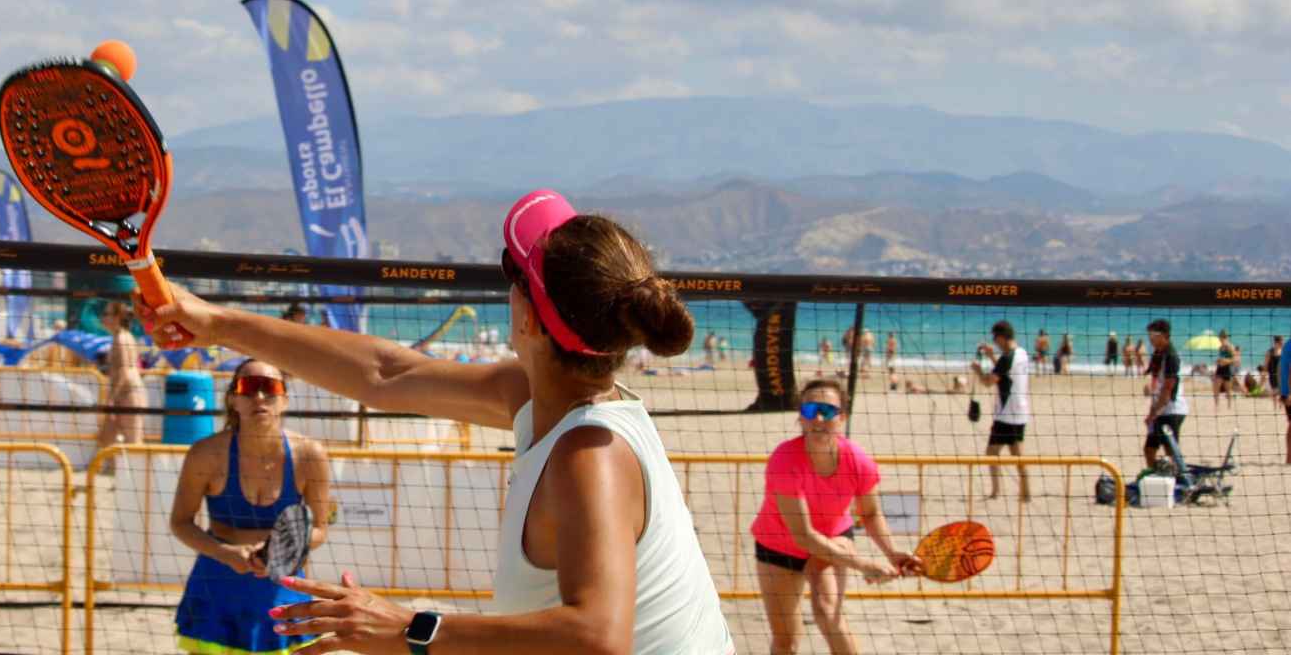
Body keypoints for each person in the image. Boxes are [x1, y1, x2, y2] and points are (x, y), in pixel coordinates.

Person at [138, 189, 734, 654]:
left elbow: (596, 636)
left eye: (511, 268)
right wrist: (218, 324)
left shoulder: (589, 457)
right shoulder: (537, 398)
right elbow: (385, 374)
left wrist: (408, 629)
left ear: (528, 318)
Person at [169, 359, 332, 654]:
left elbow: (320, 528)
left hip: (280, 585)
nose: (259, 397)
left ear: (284, 399)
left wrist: (280, 551)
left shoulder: (310, 454)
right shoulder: (206, 454)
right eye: (248, 388)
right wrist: (224, 552)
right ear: (233, 400)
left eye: (269, 388)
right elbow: (180, 522)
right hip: (218, 582)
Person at [751, 379, 918, 655]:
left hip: (831, 539)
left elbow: (871, 513)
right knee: (786, 641)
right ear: (800, 417)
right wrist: (863, 564)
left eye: (828, 411)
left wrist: (892, 552)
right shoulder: (784, 459)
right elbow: (803, 535)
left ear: (842, 417)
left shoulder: (857, 459)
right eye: (810, 410)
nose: (818, 418)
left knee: (830, 615)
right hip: (778, 546)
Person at [970, 321, 1032, 501]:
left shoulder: (1007, 358)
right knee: (1017, 455)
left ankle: (996, 492)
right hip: (1020, 412)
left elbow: (989, 381)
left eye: (996, 340)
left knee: (991, 453)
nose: (995, 343)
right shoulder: (1022, 353)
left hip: (1006, 415)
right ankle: (1025, 493)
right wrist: (991, 356)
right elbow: (1006, 373)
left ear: (1002, 338)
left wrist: (979, 370)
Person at [94, 301, 147, 475]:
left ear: (117, 317)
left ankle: (134, 477)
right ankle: (114, 473)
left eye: (106, 314)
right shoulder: (121, 336)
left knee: (133, 440)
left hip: (129, 393)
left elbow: (124, 370)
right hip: (125, 392)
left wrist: (111, 398)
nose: (103, 318)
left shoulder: (122, 338)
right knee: (106, 436)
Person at [1142, 319, 1189, 471]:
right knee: (1149, 449)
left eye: (1154, 335)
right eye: (1149, 335)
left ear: (1165, 335)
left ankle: (1179, 483)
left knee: (1171, 452)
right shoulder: (1158, 354)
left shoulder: (1171, 356)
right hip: (1161, 408)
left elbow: (1167, 390)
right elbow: (1157, 386)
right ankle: (1158, 478)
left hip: (1172, 409)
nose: (1151, 339)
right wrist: (1152, 411)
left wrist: (1154, 413)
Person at [1213, 331, 1241, 410]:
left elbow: (1235, 359)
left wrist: (1225, 361)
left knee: (1228, 389)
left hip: (1227, 369)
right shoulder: (1220, 347)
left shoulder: (1230, 346)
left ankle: (1229, 406)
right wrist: (1218, 361)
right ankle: (1216, 406)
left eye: (1220, 337)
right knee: (1216, 387)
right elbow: (1221, 357)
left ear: (1224, 337)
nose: (1219, 339)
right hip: (1220, 368)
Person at [1278, 340, 1291, 466]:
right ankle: (1289, 458)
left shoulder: (1287, 344)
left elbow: (1280, 368)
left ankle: (1289, 458)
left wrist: (1281, 391)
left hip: (1285, 392)